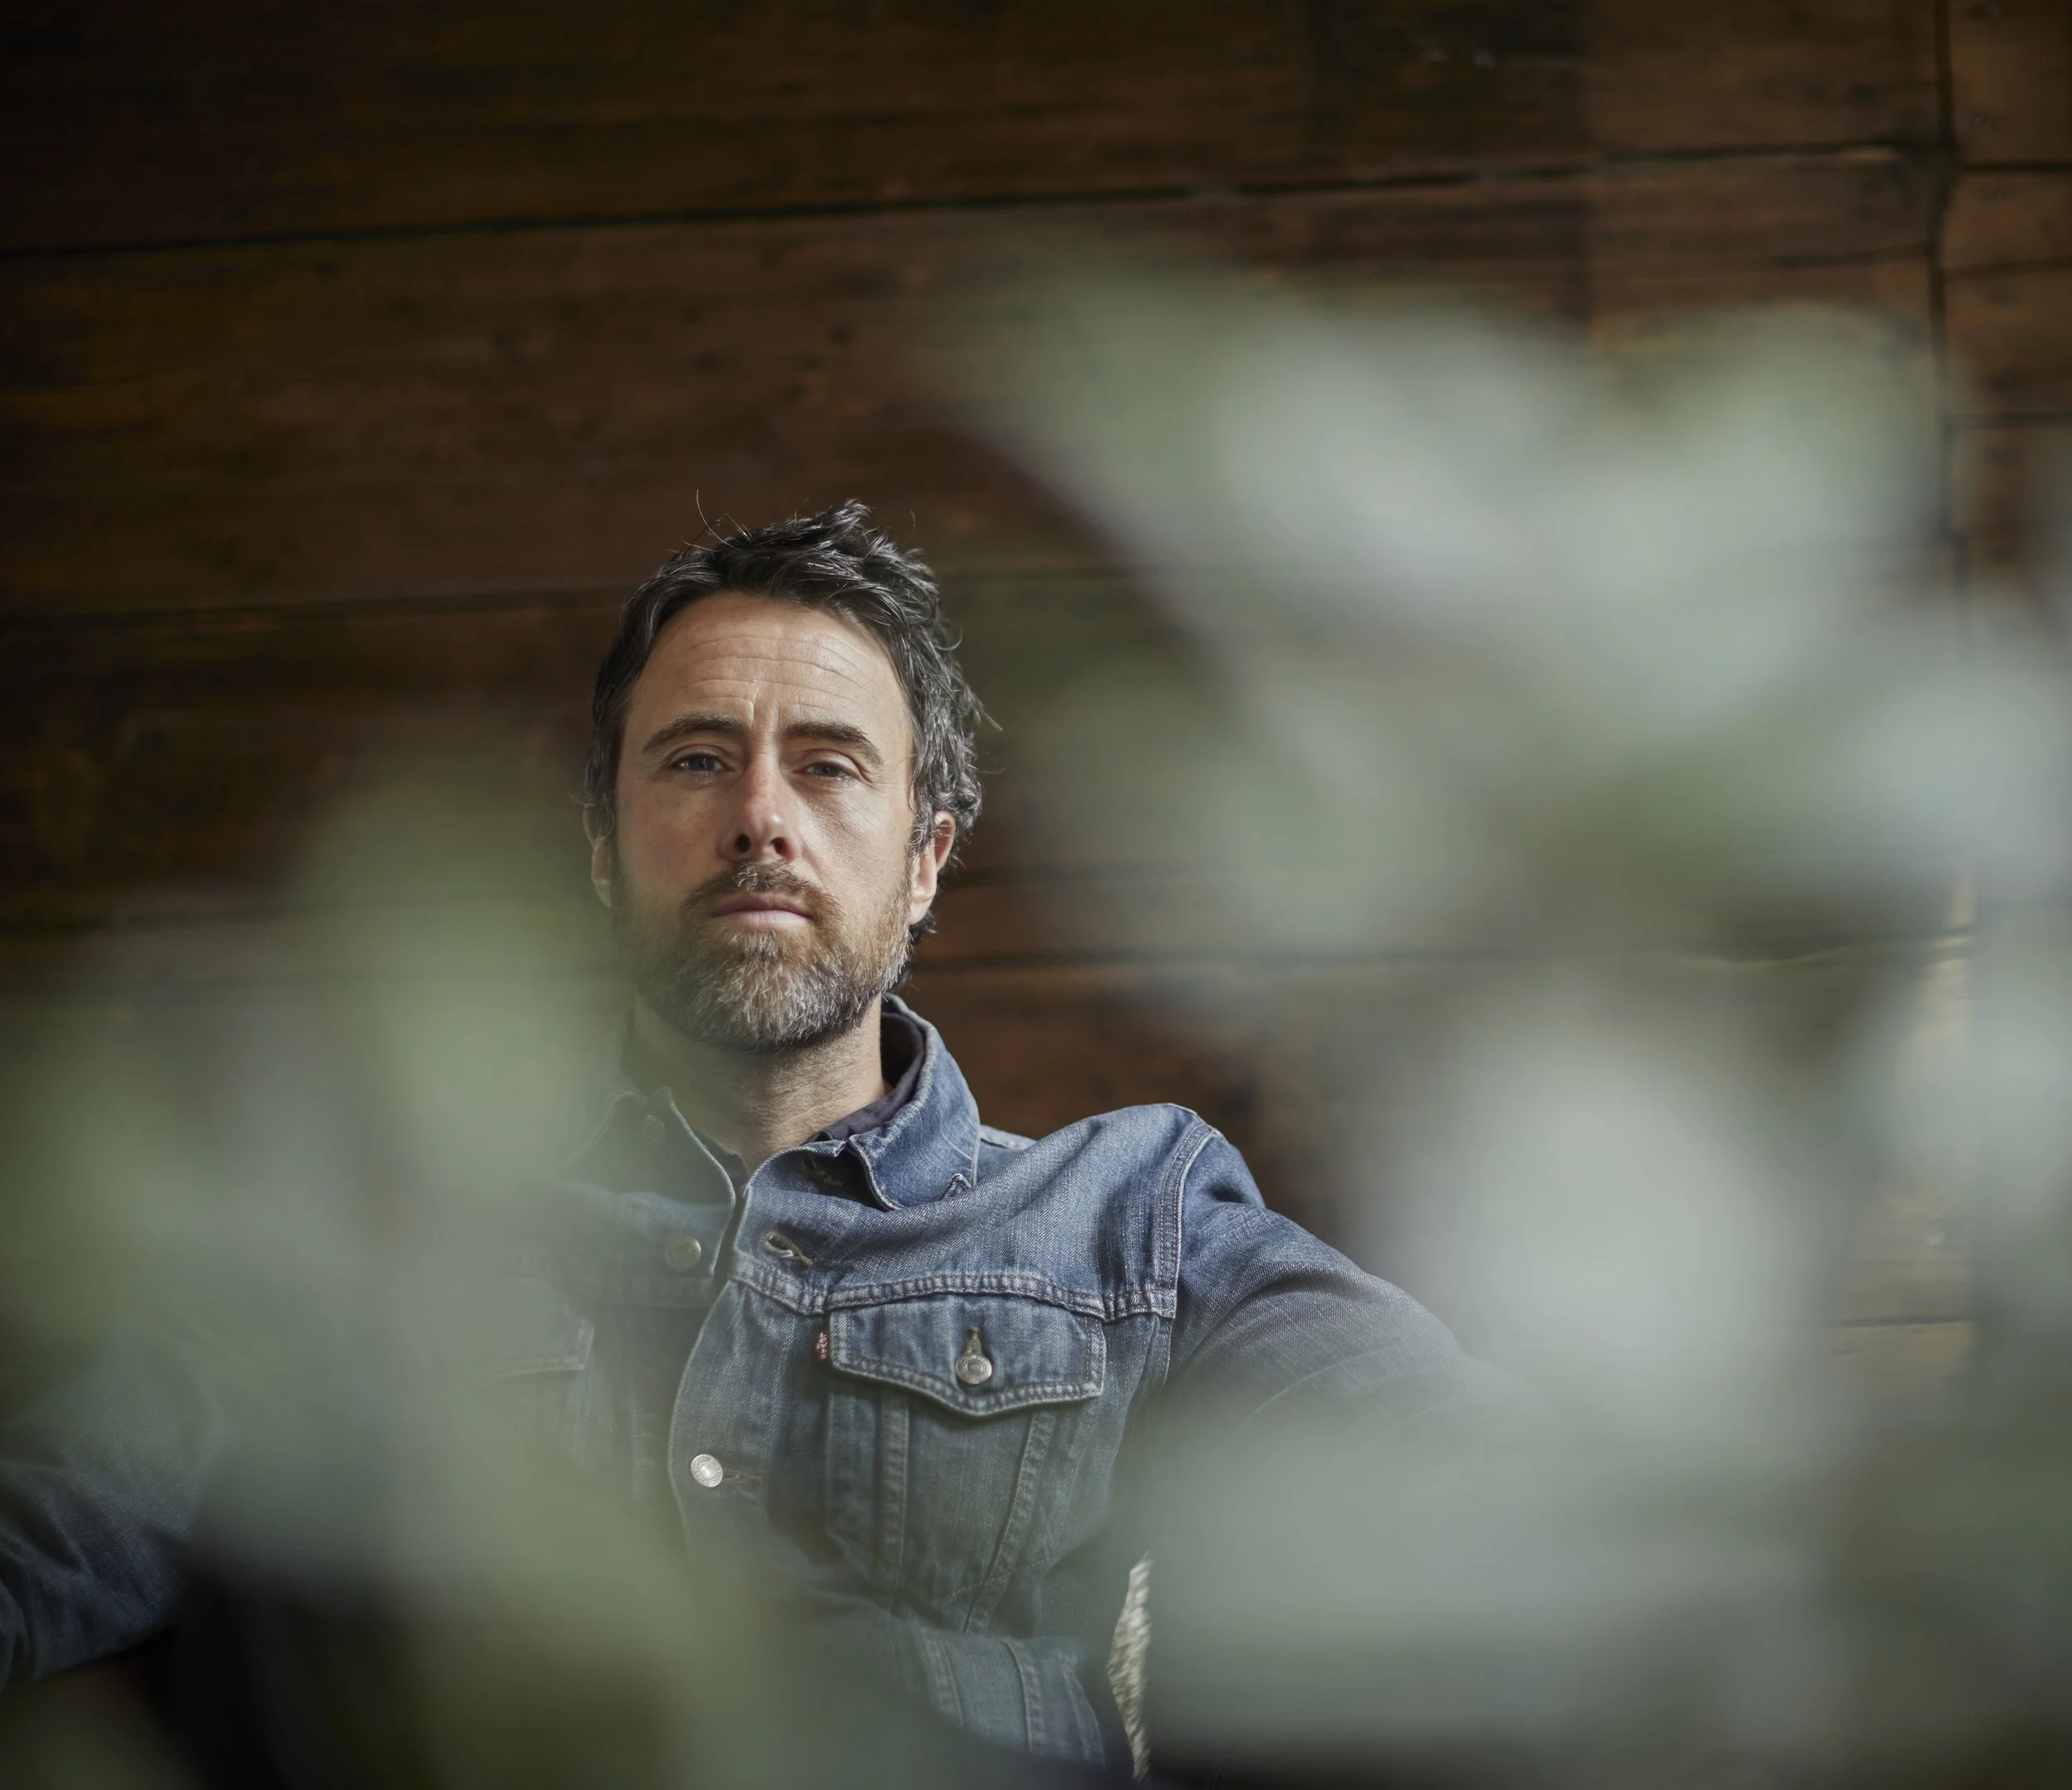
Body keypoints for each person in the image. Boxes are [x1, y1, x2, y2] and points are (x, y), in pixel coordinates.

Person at [0, 501, 1513, 1775]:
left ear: (925, 859)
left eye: (831, 764)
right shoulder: (376, 1210)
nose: (761, 820)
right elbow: (55, 1530)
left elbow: (1490, 1488)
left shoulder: (1136, 1216)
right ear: (602, 847)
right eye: (696, 758)